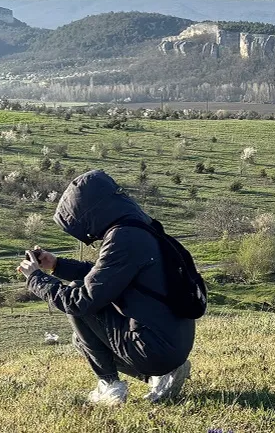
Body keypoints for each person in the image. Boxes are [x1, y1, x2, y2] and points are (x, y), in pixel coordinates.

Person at [16, 170, 195, 405]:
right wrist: (56, 265)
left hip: (156, 348)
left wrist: (35, 279)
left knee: (78, 298)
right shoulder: (140, 226)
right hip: (174, 340)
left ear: (90, 212)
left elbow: (81, 301)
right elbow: (107, 275)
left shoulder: (123, 238)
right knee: (81, 341)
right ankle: (161, 375)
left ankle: (110, 385)